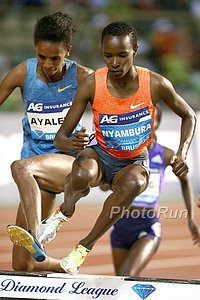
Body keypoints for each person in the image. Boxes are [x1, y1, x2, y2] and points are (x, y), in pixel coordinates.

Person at [7, 21, 196, 275]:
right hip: (99, 156)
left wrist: (182, 152)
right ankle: (60, 217)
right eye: (108, 55)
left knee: (134, 183)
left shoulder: (154, 83)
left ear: (136, 50)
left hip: (132, 162)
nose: (114, 63)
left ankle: (83, 248)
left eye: (122, 55)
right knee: (80, 174)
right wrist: (70, 142)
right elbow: (61, 136)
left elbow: (189, 116)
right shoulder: (92, 84)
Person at [4, 12, 93, 272]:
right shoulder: (24, 72)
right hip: (34, 180)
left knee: (20, 166)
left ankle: (37, 234)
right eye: (42, 56)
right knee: (22, 264)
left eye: (56, 58)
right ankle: (64, 266)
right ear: (35, 51)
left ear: (68, 51)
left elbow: (110, 115)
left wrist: (86, 141)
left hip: (66, 167)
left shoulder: (83, 77)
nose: (48, 64)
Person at [108, 104, 200, 277]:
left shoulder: (165, 154)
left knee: (127, 274)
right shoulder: (124, 153)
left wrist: (191, 219)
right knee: (119, 282)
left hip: (147, 225)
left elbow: (185, 180)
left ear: (157, 123)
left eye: (151, 118)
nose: (146, 122)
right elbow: (105, 186)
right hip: (119, 224)